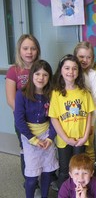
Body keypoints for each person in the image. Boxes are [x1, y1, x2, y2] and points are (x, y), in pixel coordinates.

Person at [48, 54, 95, 188]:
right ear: (61, 70)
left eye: (74, 68)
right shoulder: (56, 93)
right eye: (67, 68)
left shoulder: (84, 92)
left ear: (79, 71)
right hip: (64, 141)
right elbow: (54, 118)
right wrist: (66, 138)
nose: (70, 72)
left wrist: (85, 136)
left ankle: (79, 193)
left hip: (81, 139)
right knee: (64, 170)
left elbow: (88, 115)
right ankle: (64, 193)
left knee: (80, 170)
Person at [14, 60, 59, 198]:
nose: (41, 78)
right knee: (32, 177)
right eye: (37, 74)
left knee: (46, 171)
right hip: (29, 137)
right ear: (32, 75)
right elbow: (19, 120)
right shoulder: (22, 94)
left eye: (45, 75)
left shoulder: (52, 95)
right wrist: (33, 139)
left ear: (49, 77)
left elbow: (55, 119)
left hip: (46, 136)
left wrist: (50, 138)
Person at [5, 34, 41, 177]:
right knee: (27, 149)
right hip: (24, 120)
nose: (29, 52)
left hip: (42, 120)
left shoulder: (41, 68)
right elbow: (10, 99)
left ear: (37, 50)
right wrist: (25, 117)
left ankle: (48, 176)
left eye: (33, 48)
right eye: (25, 48)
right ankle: (31, 182)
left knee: (43, 147)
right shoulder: (14, 71)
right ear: (19, 50)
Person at [74, 41, 96, 162]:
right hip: (73, 119)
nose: (84, 60)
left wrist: (92, 124)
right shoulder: (71, 73)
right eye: (81, 57)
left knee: (89, 148)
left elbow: (94, 102)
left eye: (88, 57)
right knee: (75, 147)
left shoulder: (93, 75)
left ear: (92, 59)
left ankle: (91, 172)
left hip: (88, 119)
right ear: (75, 56)